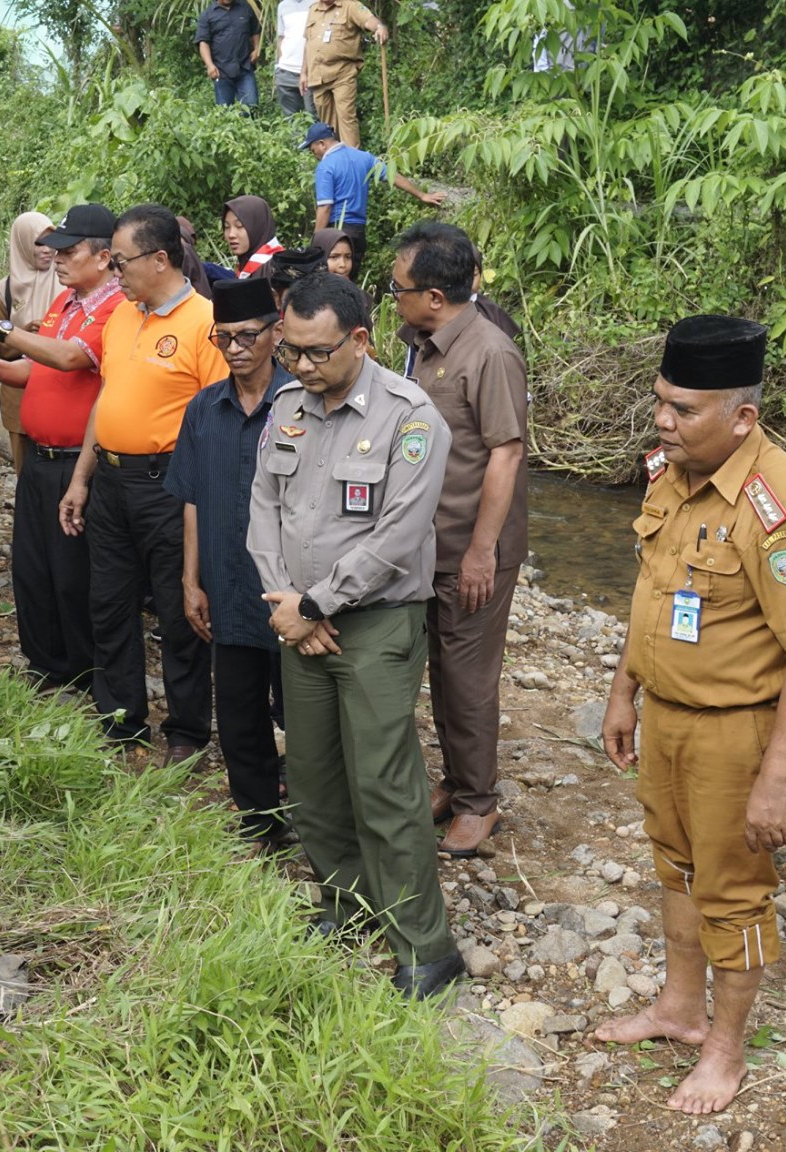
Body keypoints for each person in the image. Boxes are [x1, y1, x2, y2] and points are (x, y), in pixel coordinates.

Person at [596, 314, 786, 1114]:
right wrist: (623, 690)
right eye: (661, 402)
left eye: (685, 409)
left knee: (734, 890)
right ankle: (678, 1008)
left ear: (743, 416)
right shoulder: (669, 475)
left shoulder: (784, 508)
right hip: (665, 714)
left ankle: (727, 1053)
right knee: (674, 865)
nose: (664, 421)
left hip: (736, 732)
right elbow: (653, 593)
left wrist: (778, 779)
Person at [249, 271, 461, 999]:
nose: (303, 367)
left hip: (373, 626)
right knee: (311, 777)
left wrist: (317, 603)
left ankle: (425, 945)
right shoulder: (288, 408)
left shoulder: (410, 418)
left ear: (361, 339)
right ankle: (346, 904)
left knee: (384, 784)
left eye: (317, 353)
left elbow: (398, 537)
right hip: (299, 621)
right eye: (292, 352)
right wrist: (288, 604)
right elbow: (263, 510)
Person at [59, 204, 227, 761]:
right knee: (108, 601)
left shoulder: (205, 322)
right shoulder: (125, 316)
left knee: (181, 613)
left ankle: (186, 731)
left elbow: (219, 422)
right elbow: (107, 400)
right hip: (109, 481)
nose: (116, 272)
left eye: (123, 261)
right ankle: (121, 718)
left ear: (160, 259)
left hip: (170, 487)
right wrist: (81, 478)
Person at [389, 222, 528, 858]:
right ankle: (457, 780)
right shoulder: (423, 342)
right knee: (440, 672)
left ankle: (479, 803)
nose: (394, 299)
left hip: (471, 547)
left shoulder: (489, 353)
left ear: (436, 297)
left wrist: (481, 551)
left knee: (468, 677)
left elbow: (505, 454)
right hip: (427, 543)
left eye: (400, 290)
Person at [0, 204, 124, 694]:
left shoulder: (114, 310)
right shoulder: (65, 304)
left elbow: (72, 358)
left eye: (70, 250)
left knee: (76, 574)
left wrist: (2, 330)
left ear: (103, 256)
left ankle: (86, 671)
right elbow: (41, 368)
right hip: (41, 457)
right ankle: (46, 665)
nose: (58, 257)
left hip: (80, 461)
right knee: (33, 565)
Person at [166, 277, 292, 845]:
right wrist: (191, 580)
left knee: (303, 713)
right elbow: (191, 497)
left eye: (248, 336)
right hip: (225, 580)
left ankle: (317, 816)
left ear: (276, 333)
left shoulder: (300, 403)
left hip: (291, 589)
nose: (236, 348)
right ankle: (260, 823)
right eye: (225, 339)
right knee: (239, 713)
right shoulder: (203, 409)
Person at [301, 123, 445, 270]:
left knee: (331, 284)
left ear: (322, 144)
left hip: (337, 233)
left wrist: (317, 241)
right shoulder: (364, 157)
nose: (315, 156)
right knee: (350, 280)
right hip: (358, 232)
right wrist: (422, 195)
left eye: (313, 151)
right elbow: (392, 175)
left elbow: (325, 207)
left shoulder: (326, 166)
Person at [0, 210, 64, 468]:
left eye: (51, 242)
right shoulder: (5, 289)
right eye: (38, 243)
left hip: (61, 390)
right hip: (19, 395)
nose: (47, 250)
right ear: (21, 244)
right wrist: (19, 332)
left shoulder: (70, 282)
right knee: (26, 474)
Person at [301, 0, 387, 148]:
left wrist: (379, 27)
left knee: (346, 118)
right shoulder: (313, 10)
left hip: (342, 73)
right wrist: (304, 73)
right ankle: (334, 162)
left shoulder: (350, 6)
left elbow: (369, 20)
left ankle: (352, 161)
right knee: (326, 126)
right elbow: (309, 44)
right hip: (318, 76)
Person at [197, 0, 263, 108]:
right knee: (224, 110)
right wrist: (209, 65)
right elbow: (203, 43)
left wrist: (256, 49)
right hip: (221, 71)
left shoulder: (245, 8)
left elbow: (255, 30)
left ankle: (248, 125)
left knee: (251, 106)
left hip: (245, 66)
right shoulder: (207, 15)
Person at [222, 195, 283, 279]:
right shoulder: (243, 268)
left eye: (239, 226)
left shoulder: (276, 271)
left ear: (258, 227)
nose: (231, 234)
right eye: (227, 226)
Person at [274, 0, 315, 114]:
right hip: (286, 71)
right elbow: (281, 38)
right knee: (290, 118)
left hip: (310, 72)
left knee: (313, 116)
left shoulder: (317, 3)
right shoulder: (282, 6)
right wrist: (278, 65)